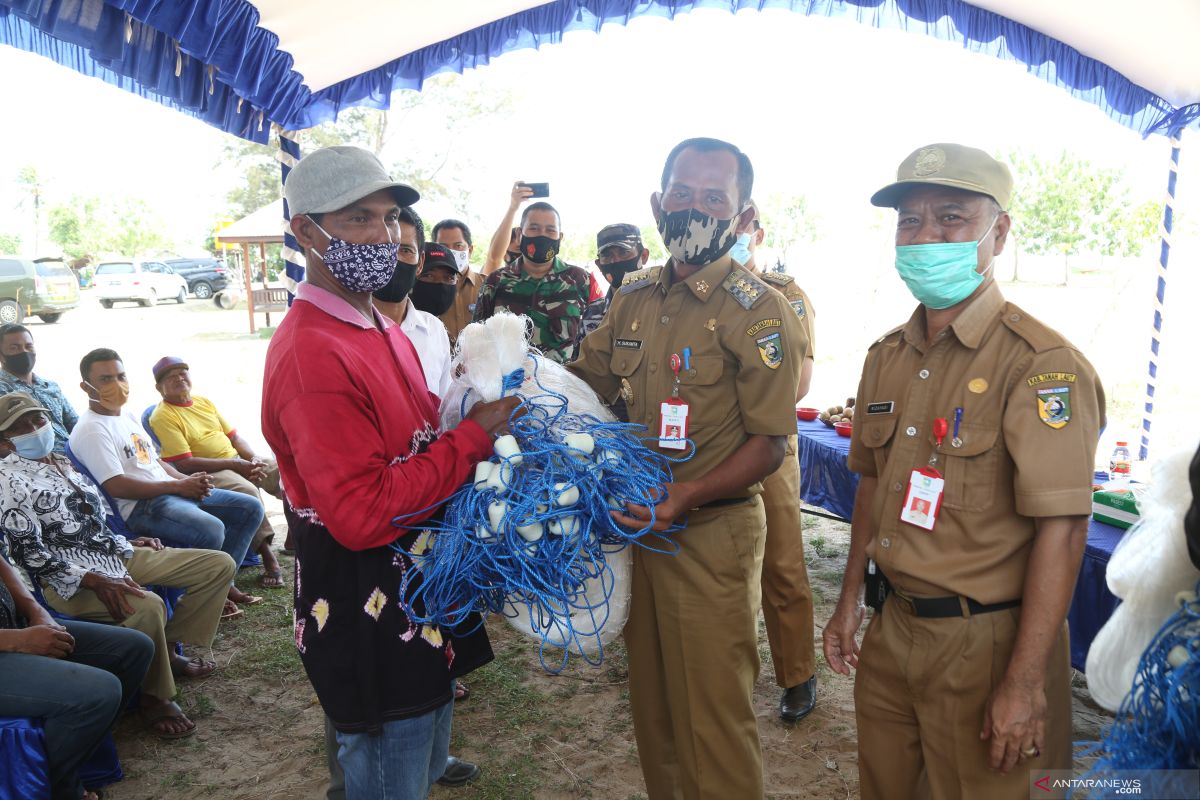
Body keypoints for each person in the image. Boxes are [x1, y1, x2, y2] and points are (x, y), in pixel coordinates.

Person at [821, 143, 1105, 799]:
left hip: (988, 646)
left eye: (950, 218)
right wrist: (848, 603)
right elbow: (870, 482)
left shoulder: (1041, 364)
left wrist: (1025, 680)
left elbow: (1061, 531)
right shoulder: (885, 355)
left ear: (997, 231)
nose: (925, 238)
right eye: (910, 221)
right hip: (894, 631)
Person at [265, 145, 521, 799]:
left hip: (416, 593)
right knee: (386, 772)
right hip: (367, 605)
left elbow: (418, 442)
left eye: (387, 217)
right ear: (306, 232)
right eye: (357, 219)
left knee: (420, 750)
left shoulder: (379, 325)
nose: (383, 236)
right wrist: (470, 438)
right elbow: (361, 514)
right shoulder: (313, 351)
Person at [568, 137, 807, 799]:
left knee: (712, 722)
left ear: (740, 213)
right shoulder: (634, 297)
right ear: (657, 202)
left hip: (710, 537)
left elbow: (770, 444)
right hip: (637, 532)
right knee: (656, 712)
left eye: (713, 199)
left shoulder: (760, 312)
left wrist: (688, 494)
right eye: (683, 194)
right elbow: (583, 386)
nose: (695, 209)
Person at [0, 392, 235, 740]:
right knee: (147, 606)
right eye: (21, 427)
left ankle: (167, 650)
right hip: (69, 580)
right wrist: (94, 580)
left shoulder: (61, 462)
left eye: (38, 420)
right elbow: (27, 555)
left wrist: (125, 542)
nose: (35, 429)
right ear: (5, 441)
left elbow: (90, 522)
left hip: (115, 556)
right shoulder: (8, 481)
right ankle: (155, 697)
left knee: (217, 566)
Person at [69, 349, 264, 615]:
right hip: (144, 505)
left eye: (121, 376)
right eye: (106, 379)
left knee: (250, 507)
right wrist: (177, 486)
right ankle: (201, 602)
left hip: (171, 492)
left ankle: (219, 587)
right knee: (210, 528)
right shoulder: (93, 429)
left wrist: (188, 480)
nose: (117, 384)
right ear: (85, 386)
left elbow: (153, 460)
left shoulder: (125, 415)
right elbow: (117, 485)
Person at [729, 201, 820, 723]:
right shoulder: (696, 291)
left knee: (782, 563)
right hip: (709, 452)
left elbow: (799, 382)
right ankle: (726, 671)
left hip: (769, 447)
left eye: (745, 227)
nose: (736, 236)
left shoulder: (784, 295)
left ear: (758, 234)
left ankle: (797, 673)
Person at [0, 549, 153, 800]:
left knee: (133, 649)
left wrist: (36, 612)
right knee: (98, 692)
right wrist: (17, 641)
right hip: (7, 642)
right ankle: (60, 786)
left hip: (13, 625)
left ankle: (81, 757)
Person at [147, 356, 286, 589]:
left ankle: (296, 537)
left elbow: (234, 437)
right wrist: (235, 466)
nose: (179, 378)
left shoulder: (203, 402)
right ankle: (269, 560)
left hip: (235, 460)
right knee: (248, 491)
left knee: (286, 472)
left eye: (183, 372)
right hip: (210, 469)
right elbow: (183, 463)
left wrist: (252, 459)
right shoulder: (163, 415)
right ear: (159, 387)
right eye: (171, 377)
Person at [473, 201, 593, 364]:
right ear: (519, 234)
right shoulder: (495, 282)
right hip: (506, 384)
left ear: (560, 237)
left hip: (564, 385)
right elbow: (477, 338)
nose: (542, 235)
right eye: (534, 228)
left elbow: (594, 338)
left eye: (550, 230)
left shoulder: (581, 280)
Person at [371, 211, 454, 399]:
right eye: (385, 248)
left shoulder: (434, 329)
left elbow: (444, 410)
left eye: (405, 250)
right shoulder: (345, 330)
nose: (394, 259)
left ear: (420, 263)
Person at [0, 323, 79, 454]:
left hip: (76, 454)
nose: (24, 352)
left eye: (28, 346)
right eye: (14, 348)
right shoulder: (3, 392)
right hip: (38, 464)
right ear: (1, 355)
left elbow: (76, 424)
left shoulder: (50, 386)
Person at [580, 223, 650, 339]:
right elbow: (581, 356)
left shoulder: (660, 305)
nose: (615, 261)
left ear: (643, 256)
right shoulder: (593, 312)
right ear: (599, 264)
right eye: (607, 256)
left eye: (624, 253)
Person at [430, 219, 481, 344]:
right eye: (443, 247)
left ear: (470, 251)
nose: (451, 252)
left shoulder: (488, 285)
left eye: (458, 246)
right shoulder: (423, 286)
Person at [482, 183, 534, 275]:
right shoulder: (496, 278)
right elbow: (494, 258)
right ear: (505, 254)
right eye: (518, 249)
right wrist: (513, 208)